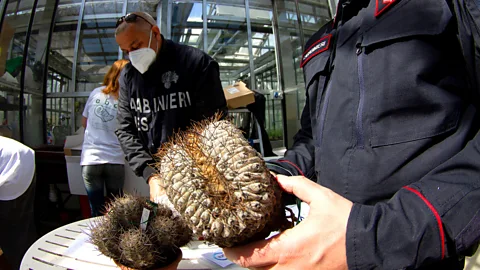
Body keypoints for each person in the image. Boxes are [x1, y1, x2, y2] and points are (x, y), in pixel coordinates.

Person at [223, 0, 480, 269]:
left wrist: (374, 237)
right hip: (322, 252)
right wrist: (269, 178)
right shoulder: (321, 39)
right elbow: (312, 138)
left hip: (416, 255)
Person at [114, 12, 227, 201]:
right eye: (126, 51)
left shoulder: (196, 63)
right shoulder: (128, 76)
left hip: (200, 174)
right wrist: (150, 174)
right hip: (157, 176)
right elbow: (125, 129)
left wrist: (187, 170)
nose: (132, 55)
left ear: (155, 33)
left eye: (136, 46)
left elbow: (215, 124)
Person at [81, 59, 129, 217]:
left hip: (91, 159)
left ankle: (98, 240)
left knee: (97, 210)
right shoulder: (126, 98)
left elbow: (84, 123)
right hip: (115, 159)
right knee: (117, 208)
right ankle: (118, 238)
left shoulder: (96, 92)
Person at [0, 136, 37, 270]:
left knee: (10, 228)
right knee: (23, 223)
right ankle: (30, 261)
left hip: (12, 165)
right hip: (26, 159)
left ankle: (21, 263)